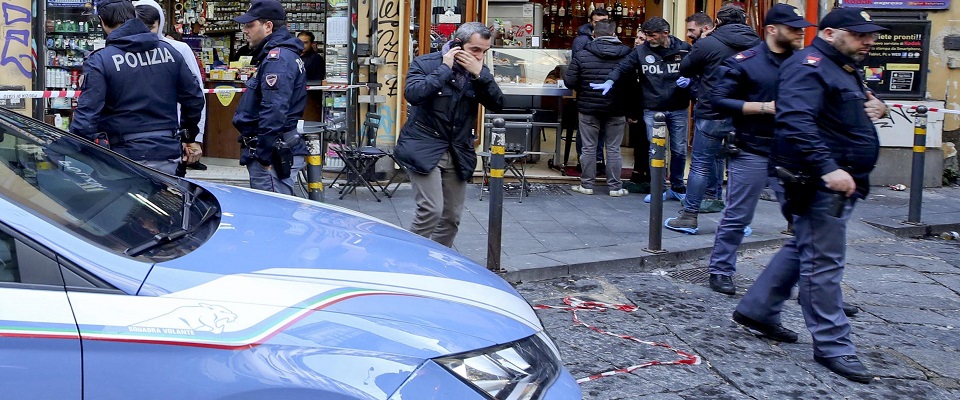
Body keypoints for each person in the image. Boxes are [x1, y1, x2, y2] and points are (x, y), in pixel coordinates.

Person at [733, 7, 889, 384]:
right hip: (816, 180)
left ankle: (758, 310)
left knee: (805, 246)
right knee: (823, 262)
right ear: (832, 32)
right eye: (860, 34)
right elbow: (795, 120)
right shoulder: (810, 65)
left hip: (839, 178)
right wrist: (828, 168)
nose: (869, 40)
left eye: (870, 34)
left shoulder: (843, 65)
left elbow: (847, 111)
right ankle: (833, 345)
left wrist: (879, 108)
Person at [706, 3, 813, 295]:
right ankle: (721, 269)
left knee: (805, 220)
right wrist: (763, 108)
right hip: (752, 148)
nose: (800, 33)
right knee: (738, 215)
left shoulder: (807, 62)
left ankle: (816, 285)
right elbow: (717, 100)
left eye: (802, 28)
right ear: (771, 30)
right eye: (793, 28)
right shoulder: (745, 62)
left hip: (793, 152)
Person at [393, 22, 504, 247]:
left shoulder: (479, 72)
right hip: (424, 146)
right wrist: (444, 69)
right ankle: (407, 259)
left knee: (452, 217)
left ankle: (437, 262)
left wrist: (481, 75)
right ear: (457, 44)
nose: (480, 56)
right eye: (475, 50)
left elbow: (498, 103)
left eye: (485, 51)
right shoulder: (426, 63)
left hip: (458, 150)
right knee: (431, 210)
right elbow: (413, 94)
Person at [70, 0, 204, 176]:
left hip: (122, 159)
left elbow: (87, 115)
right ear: (134, 17)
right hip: (167, 155)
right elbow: (194, 98)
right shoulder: (170, 52)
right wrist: (188, 136)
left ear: (102, 21)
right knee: (166, 203)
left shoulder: (101, 60)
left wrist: (67, 151)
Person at [668, 4, 760, 234]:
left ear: (718, 22)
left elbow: (685, 68)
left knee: (700, 165)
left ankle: (689, 217)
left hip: (712, 110)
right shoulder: (758, 44)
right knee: (739, 168)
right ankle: (739, 222)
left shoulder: (708, 42)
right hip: (744, 112)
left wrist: (704, 43)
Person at [592, 17, 691, 203]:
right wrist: (610, 80)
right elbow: (622, 67)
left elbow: (698, 68)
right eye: (645, 35)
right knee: (656, 150)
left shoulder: (684, 49)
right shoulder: (641, 51)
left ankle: (678, 185)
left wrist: (692, 81)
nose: (648, 39)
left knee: (678, 150)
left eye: (652, 35)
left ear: (665, 34)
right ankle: (658, 188)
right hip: (652, 108)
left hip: (678, 107)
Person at [231, 0, 308, 195]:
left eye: (250, 25)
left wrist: (263, 155)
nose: (245, 31)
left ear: (268, 26)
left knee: (273, 216)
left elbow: (274, 110)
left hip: (272, 154)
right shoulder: (279, 55)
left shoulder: (278, 58)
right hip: (273, 149)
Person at [564, 20, 638, 197]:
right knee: (613, 148)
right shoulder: (627, 54)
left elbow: (570, 81)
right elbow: (632, 85)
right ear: (614, 34)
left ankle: (587, 185)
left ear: (594, 35)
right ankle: (615, 187)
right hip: (616, 107)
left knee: (589, 148)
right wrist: (631, 109)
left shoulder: (582, 54)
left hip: (588, 107)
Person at [133, 0, 208, 175]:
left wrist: (193, 138)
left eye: (150, 26)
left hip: (171, 137)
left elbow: (196, 97)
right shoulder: (123, 52)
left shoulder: (178, 50)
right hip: (134, 141)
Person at [572, 8, 610, 175]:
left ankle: (598, 160)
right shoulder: (581, 41)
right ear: (591, 22)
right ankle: (585, 162)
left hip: (606, 90)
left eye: (604, 22)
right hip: (587, 90)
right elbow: (577, 67)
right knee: (586, 130)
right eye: (597, 22)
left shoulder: (611, 40)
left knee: (601, 129)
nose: (600, 26)